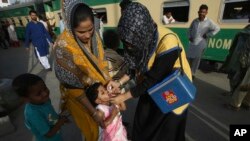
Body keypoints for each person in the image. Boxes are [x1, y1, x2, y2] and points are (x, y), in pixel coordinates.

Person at [107, 2, 192, 141]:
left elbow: (154, 79)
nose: (129, 47)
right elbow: (136, 65)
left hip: (171, 90)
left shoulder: (168, 42)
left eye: (131, 44)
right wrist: (119, 82)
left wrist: (123, 96)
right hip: (149, 87)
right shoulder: (141, 38)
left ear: (141, 32)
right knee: (143, 123)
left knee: (166, 131)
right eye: (126, 43)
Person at [54, 1, 110, 140]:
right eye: (81, 32)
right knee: (91, 132)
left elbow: (101, 63)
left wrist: (109, 83)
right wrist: (93, 112)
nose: (87, 35)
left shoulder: (95, 36)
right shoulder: (63, 48)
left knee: (106, 127)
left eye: (90, 29)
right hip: (80, 98)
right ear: (70, 27)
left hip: (98, 91)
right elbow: (73, 87)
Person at [12, 73, 69, 141]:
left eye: (45, 88)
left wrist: (58, 118)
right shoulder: (33, 114)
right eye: (38, 94)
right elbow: (48, 134)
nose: (45, 94)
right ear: (26, 99)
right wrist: (60, 122)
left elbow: (49, 114)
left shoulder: (44, 100)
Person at [187, 4, 220, 77]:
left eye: (204, 12)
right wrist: (189, 36)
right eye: (200, 12)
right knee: (189, 58)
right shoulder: (195, 21)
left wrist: (208, 34)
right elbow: (189, 29)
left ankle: (192, 74)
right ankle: (187, 72)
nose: (202, 13)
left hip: (201, 43)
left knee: (196, 60)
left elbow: (217, 28)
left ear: (206, 13)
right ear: (198, 12)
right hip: (192, 43)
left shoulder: (209, 21)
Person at [226, 25, 250, 111]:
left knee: (244, 83)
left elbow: (245, 50)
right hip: (244, 59)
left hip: (243, 60)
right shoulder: (245, 31)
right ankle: (246, 102)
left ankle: (235, 104)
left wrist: (243, 62)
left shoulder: (244, 33)